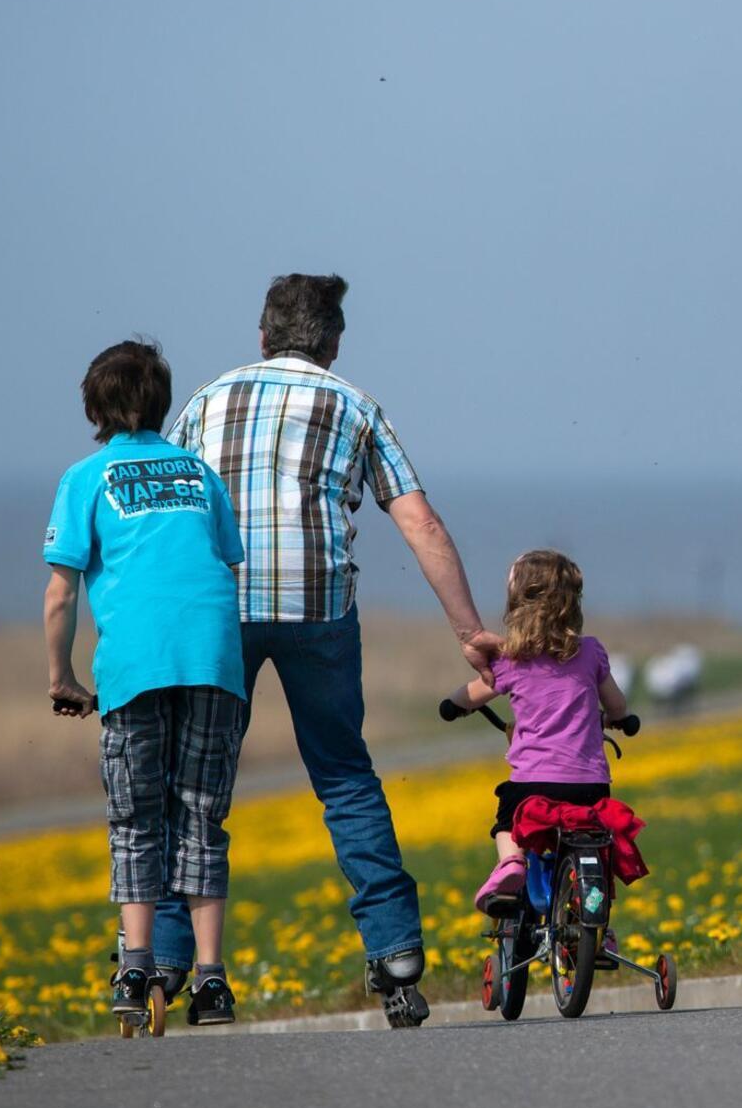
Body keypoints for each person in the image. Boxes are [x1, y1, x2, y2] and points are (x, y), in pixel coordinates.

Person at [159, 273, 503, 1028]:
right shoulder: (354, 404)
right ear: (334, 342)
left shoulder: (206, 401)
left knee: (196, 788)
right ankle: (396, 956)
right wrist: (469, 633)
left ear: (262, 334)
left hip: (222, 609)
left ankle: (172, 960)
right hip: (319, 608)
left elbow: (169, 517)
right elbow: (423, 526)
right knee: (344, 777)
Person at [42, 340, 250, 1028]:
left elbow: (60, 595)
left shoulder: (86, 477)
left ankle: (135, 967)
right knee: (199, 818)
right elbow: (223, 562)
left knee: (136, 820)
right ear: (161, 402)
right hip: (213, 663)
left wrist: (62, 676)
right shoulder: (197, 473)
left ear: (94, 408)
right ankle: (212, 980)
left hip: (134, 668)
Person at [438, 550, 638, 952]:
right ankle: (598, 928)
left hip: (534, 784)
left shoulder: (513, 658)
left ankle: (510, 862)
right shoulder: (592, 652)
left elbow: (472, 694)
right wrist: (620, 719)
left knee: (506, 819)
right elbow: (617, 705)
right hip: (590, 786)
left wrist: (454, 705)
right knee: (596, 849)